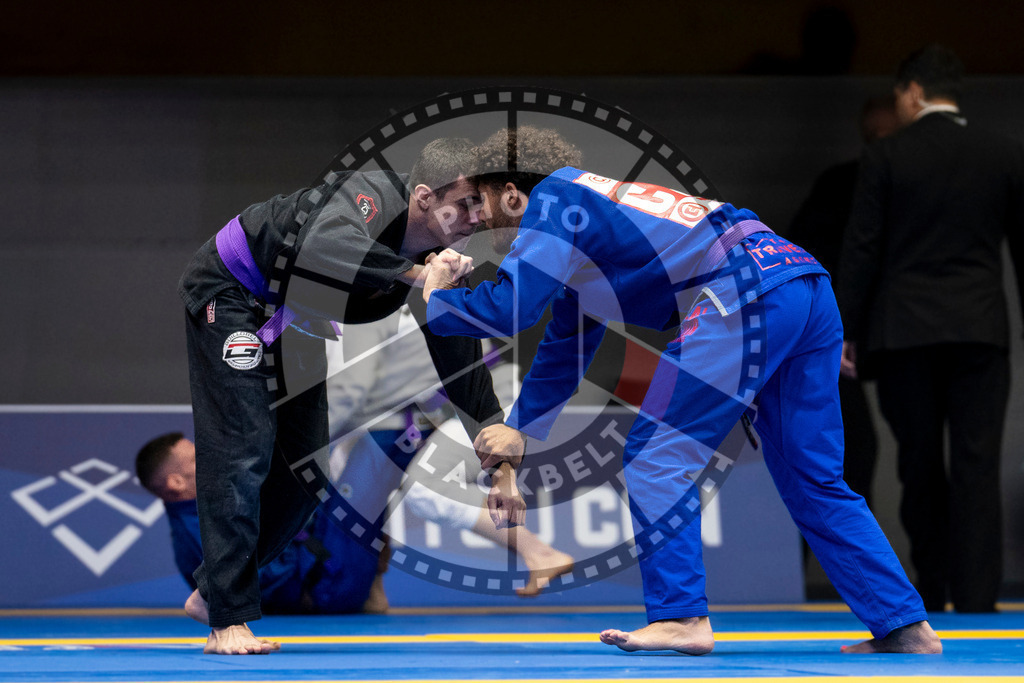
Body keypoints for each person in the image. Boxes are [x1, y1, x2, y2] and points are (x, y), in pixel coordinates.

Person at [421, 125, 941, 654]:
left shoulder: (554, 196)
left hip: (744, 290)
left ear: (512, 191)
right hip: (801, 285)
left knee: (653, 455)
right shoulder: (591, 223)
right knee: (814, 478)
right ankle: (903, 625)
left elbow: (511, 307)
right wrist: (519, 433)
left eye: (480, 201)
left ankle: (681, 617)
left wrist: (437, 296)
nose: (478, 219)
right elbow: (565, 351)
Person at [177, 137, 521, 654]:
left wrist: (499, 463)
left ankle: (212, 589)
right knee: (243, 446)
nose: (479, 217)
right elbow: (319, 246)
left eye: (483, 205)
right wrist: (415, 274)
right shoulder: (367, 196)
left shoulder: (441, 260)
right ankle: (228, 618)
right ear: (424, 197)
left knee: (306, 470)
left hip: (294, 317)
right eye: (468, 203)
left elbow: (460, 360)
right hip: (231, 293)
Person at [837, 45, 1024, 614]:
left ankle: (932, 588)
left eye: (898, 94)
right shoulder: (1004, 153)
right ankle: (976, 599)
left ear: (913, 91)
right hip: (979, 332)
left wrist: (847, 331)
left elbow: (862, 249)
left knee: (917, 464)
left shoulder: (887, 156)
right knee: (977, 463)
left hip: (904, 336)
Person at [325, 305, 574, 597]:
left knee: (425, 488)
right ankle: (371, 590)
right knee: (373, 470)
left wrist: (304, 439)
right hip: (455, 408)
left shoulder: (363, 308)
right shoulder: (379, 302)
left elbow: (349, 393)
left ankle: (541, 554)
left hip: (489, 405)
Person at [788, 94, 900, 509]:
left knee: (919, 457)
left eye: (890, 136)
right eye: (872, 136)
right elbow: (801, 259)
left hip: (901, 337)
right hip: (834, 340)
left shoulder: (922, 186)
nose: (880, 145)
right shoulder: (840, 185)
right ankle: (815, 571)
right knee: (850, 453)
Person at [135, 433, 385, 616]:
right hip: (325, 587)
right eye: (197, 458)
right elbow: (267, 579)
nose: (214, 459)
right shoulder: (198, 533)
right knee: (381, 449)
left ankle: (370, 587)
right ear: (177, 483)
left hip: (324, 569)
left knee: (353, 451)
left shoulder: (216, 506)